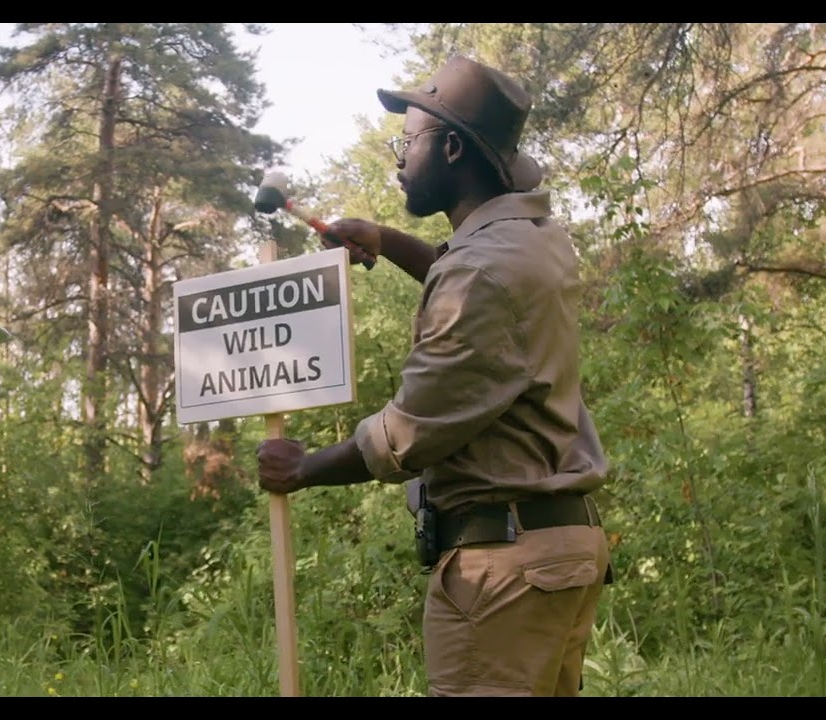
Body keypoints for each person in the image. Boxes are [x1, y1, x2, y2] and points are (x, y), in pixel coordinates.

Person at [256, 55, 614, 697]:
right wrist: (388, 240)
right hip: (557, 550)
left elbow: (410, 433)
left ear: (450, 148)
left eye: (407, 141)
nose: (398, 158)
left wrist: (303, 469)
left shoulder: (479, 274)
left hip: (502, 572)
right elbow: (480, 297)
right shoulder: (533, 240)